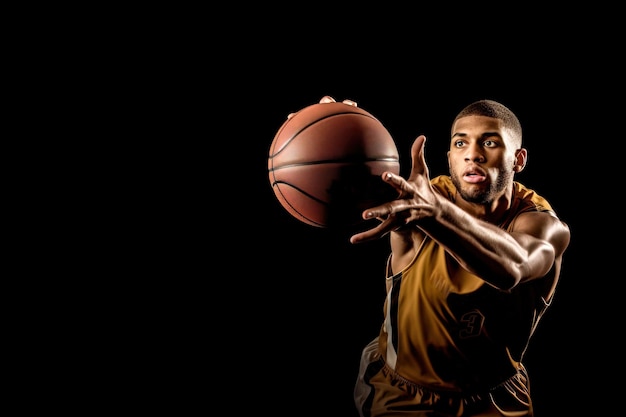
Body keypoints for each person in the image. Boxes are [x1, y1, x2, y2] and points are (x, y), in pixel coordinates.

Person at [344, 97, 571, 416]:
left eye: (489, 142)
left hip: (494, 399)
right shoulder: (416, 201)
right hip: (400, 393)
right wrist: (336, 128)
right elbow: (353, 176)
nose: (473, 154)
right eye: (460, 143)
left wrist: (437, 214)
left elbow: (514, 266)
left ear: (518, 159)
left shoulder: (543, 225)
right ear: (450, 157)